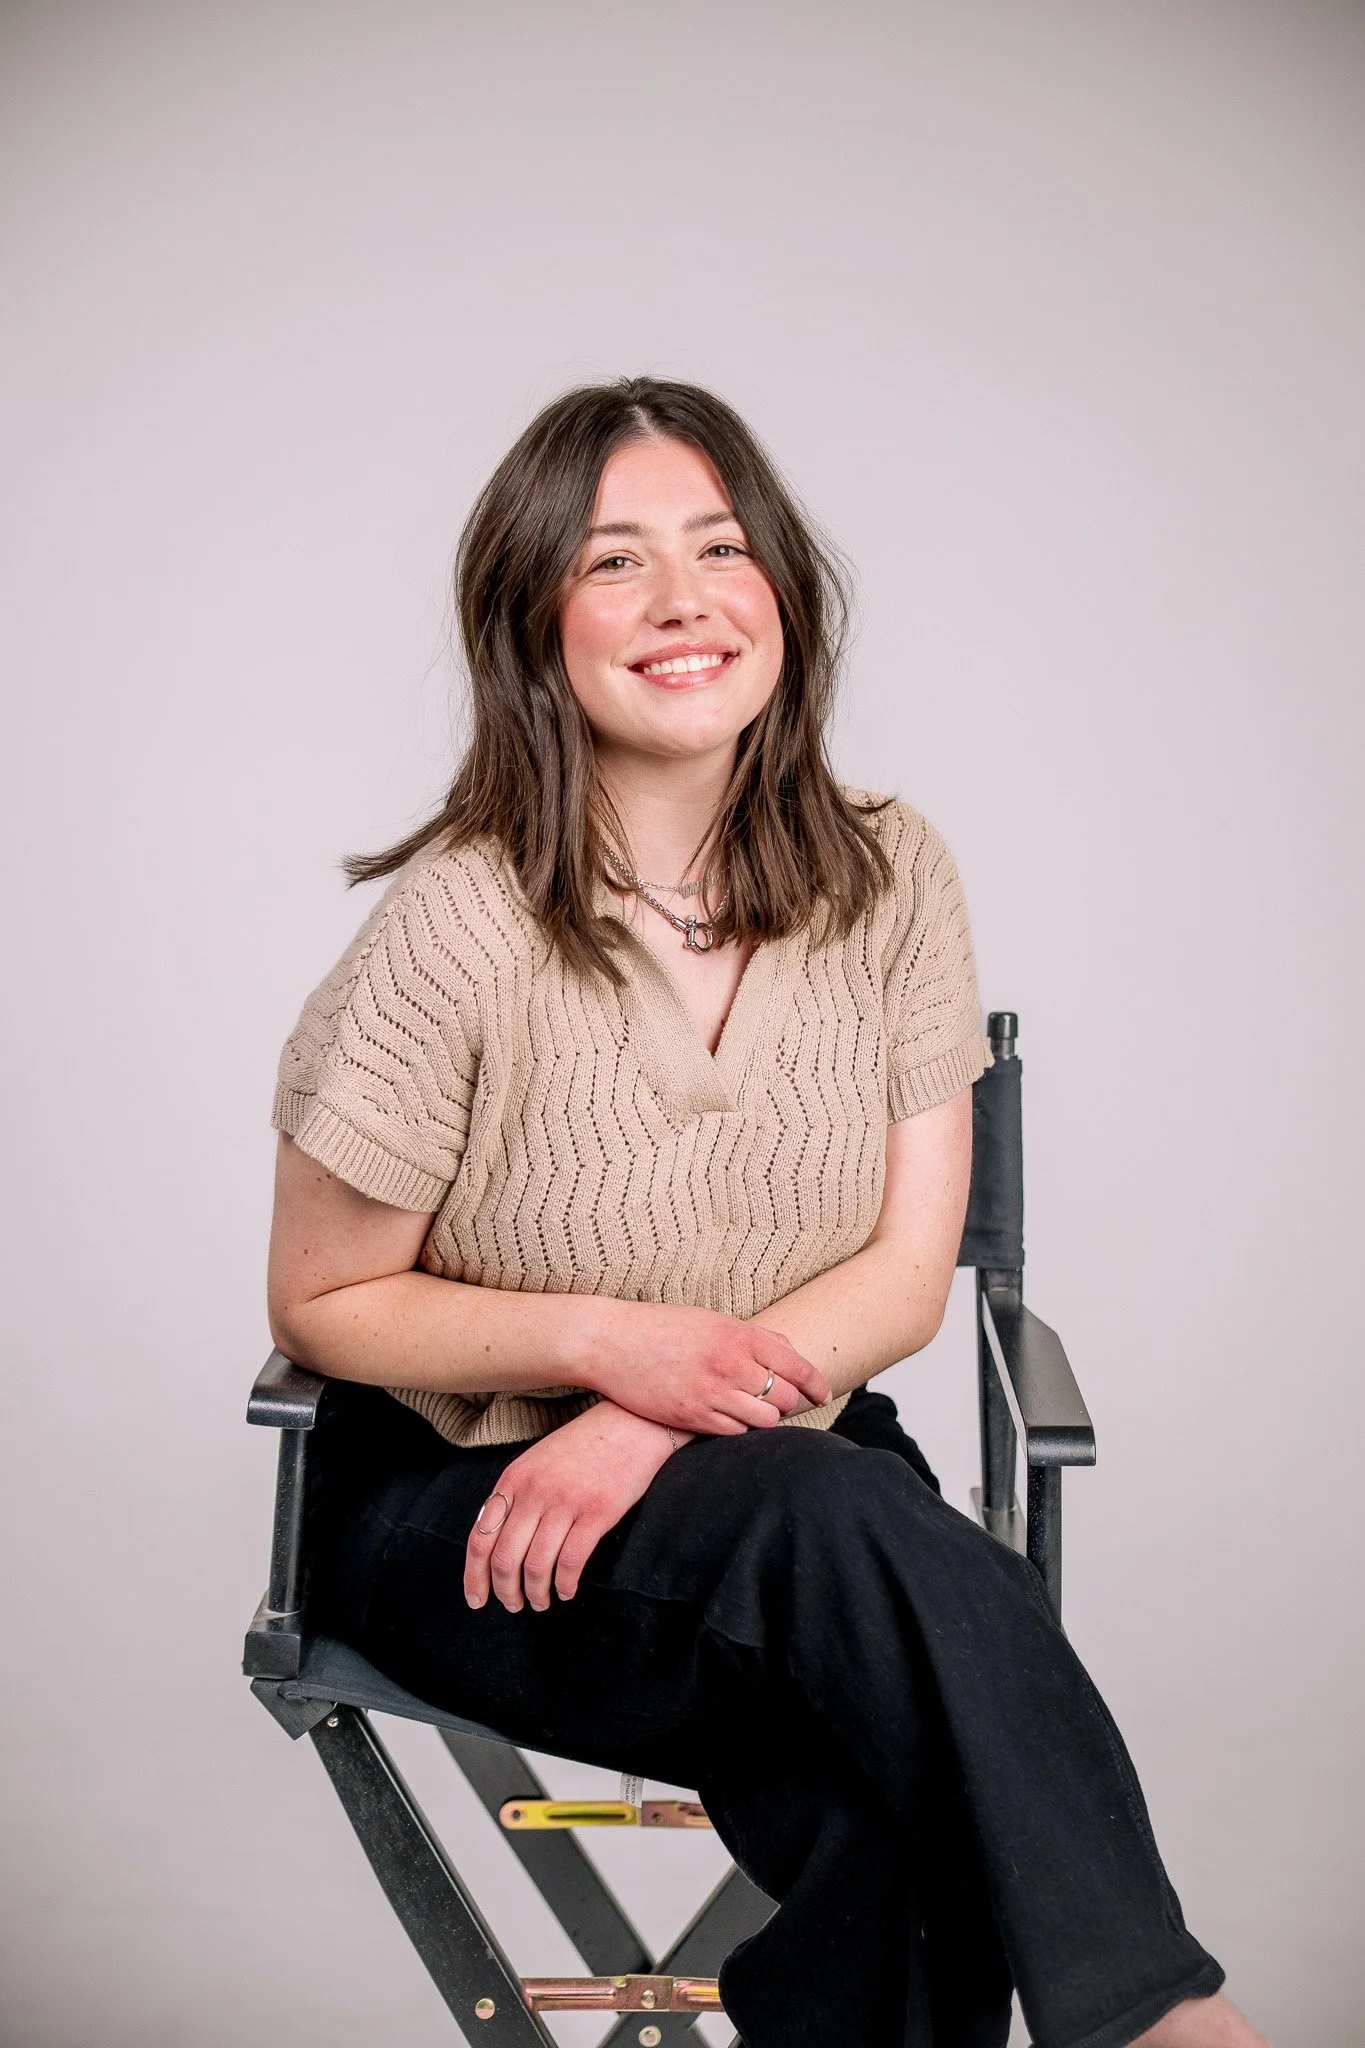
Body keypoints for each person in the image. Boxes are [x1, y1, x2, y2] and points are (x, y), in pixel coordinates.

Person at [266, 377, 1270, 2048]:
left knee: (890, 1750)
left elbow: (902, 1275)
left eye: (722, 547)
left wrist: (653, 1420)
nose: (684, 601)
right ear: (532, 622)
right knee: (902, 1582)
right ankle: (1170, 2023)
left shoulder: (893, 878)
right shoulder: (452, 928)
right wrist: (603, 1352)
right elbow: (325, 1300)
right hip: (468, 1512)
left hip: (769, 1494)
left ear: (785, 592)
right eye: (614, 563)